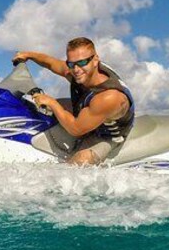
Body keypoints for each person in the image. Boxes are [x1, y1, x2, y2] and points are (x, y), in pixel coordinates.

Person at [12, 37, 134, 166]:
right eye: (71, 64)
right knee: (41, 108)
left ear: (95, 60)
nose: (76, 70)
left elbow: (76, 129)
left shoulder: (109, 97)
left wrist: (52, 103)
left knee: (79, 162)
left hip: (108, 134)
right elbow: (51, 63)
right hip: (90, 109)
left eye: (82, 63)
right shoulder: (79, 71)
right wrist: (29, 55)